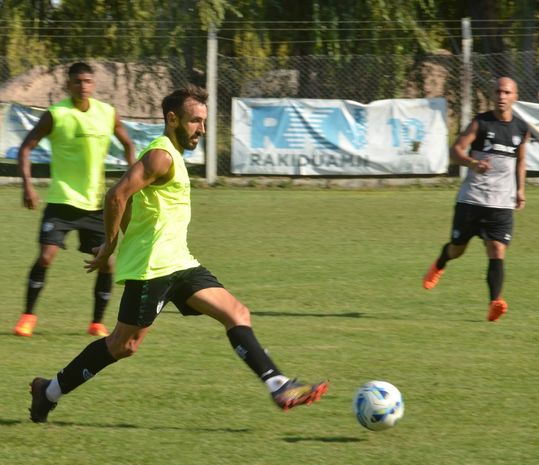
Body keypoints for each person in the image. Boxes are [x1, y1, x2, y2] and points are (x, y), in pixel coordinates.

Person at [27, 85, 328, 423]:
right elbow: (115, 196)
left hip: (180, 263)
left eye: (203, 121)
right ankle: (48, 391)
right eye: (194, 121)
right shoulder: (162, 155)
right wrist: (111, 245)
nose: (201, 129)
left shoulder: (173, 155)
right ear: (172, 119)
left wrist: (126, 234)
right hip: (152, 269)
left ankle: (279, 385)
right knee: (122, 346)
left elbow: (130, 204)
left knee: (237, 313)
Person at [13, 62, 136, 338]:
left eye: (88, 81)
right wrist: (27, 187)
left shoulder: (107, 113)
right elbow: (26, 147)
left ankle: (96, 323)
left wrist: (131, 180)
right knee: (46, 256)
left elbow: (128, 144)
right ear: (68, 85)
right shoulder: (56, 115)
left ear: (94, 84)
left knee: (107, 262)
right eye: (78, 81)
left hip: (95, 205)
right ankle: (28, 317)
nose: (83, 86)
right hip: (61, 201)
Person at [423, 76, 529, 322]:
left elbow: (521, 160)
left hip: (501, 204)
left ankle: (495, 302)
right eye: (498, 92)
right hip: (472, 200)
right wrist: (472, 163)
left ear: (515, 96)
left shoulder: (521, 129)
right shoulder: (480, 124)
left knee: (497, 250)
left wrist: (521, 189)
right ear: (493, 95)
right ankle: (441, 262)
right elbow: (455, 151)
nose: (501, 96)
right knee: (457, 250)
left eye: (506, 92)